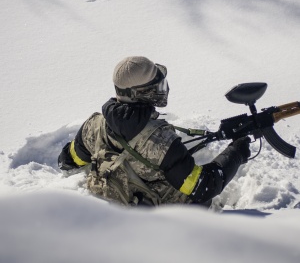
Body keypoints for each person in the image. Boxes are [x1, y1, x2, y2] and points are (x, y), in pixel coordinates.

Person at [58, 56, 251, 207]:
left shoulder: (93, 125)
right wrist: (236, 152)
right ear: (141, 94)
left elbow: (68, 161)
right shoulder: (162, 142)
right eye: (156, 86)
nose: (162, 89)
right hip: (166, 220)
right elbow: (205, 186)